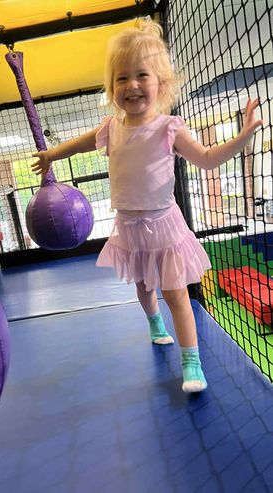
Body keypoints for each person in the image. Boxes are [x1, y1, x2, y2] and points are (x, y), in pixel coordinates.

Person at [31, 18, 263, 393]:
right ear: (111, 87)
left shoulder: (168, 127)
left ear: (161, 84)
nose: (132, 85)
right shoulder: (111, 127)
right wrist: (52, 155)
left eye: (142, 75)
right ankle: (154, 323)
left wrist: (241, 138)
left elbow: (206, 158)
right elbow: (78, 143)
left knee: (175, 293)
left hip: (164, 223)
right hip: (129, 225)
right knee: (142, 285)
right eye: (122, 78)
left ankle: (192, 363)